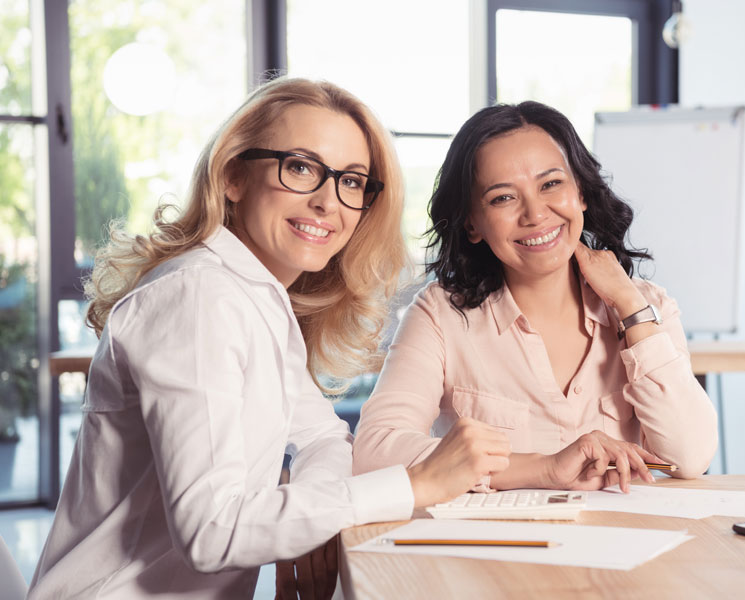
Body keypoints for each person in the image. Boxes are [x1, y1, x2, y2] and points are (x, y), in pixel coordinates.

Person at [28, 78, 512, 600]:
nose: (330, 201)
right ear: (233, 174)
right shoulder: (201, 297)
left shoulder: (255, 296)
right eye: (301, 167)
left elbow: (323, 439)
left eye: (351, 181)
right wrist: (413, 487)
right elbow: (211, 531)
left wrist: (310, 518)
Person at [353, 101, 718, 492]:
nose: (535, 214)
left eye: (551, 184)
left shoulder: (646, 306)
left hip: (626, 545)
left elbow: (690, 457)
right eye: (502, 198)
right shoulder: (440, 314)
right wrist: (540, 468)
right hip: (495, 549)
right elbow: (373, 452)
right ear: (472, 223)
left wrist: (630, 309)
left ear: (581, 193)